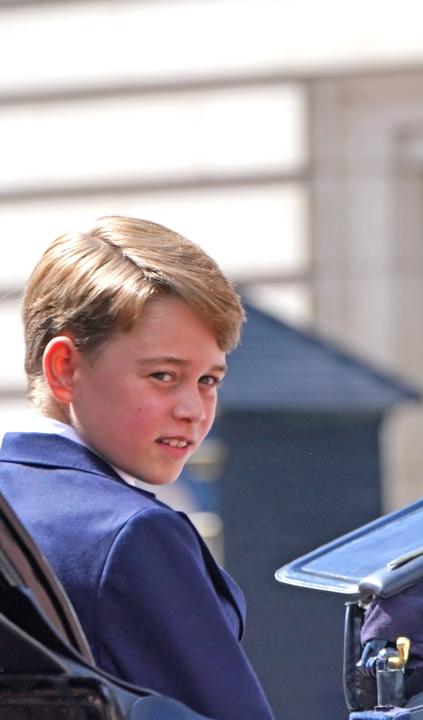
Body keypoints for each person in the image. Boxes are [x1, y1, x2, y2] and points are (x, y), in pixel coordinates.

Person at [0, 216, 274, 719]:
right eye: (163, 375)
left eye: (209, 380)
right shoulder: (132, 533)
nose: (193, 408)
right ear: (64, 368)